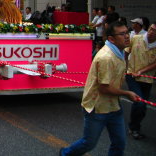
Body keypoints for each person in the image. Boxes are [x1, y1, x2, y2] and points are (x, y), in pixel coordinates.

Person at [60, 21, 139, 156]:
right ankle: (66, 153)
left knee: (119, 143)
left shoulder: (120, 52)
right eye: (122, 34)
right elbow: (104, 88)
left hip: (114, 106)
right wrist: (127, 93)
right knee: (89, 143)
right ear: (111, 39)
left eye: (127, 32)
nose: (127, 36)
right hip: (97, 106)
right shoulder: (106, 57)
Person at [125, 22, 156, 140]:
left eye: (154, 31)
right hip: (132, 75)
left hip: (147, 79)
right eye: (151, 29)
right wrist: (124, 65)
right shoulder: (136, 38)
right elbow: (126, 51)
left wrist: (142, 71)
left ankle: (134, 126)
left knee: (143, 106)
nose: (151, 32)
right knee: (139, 102)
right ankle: (134, 128)